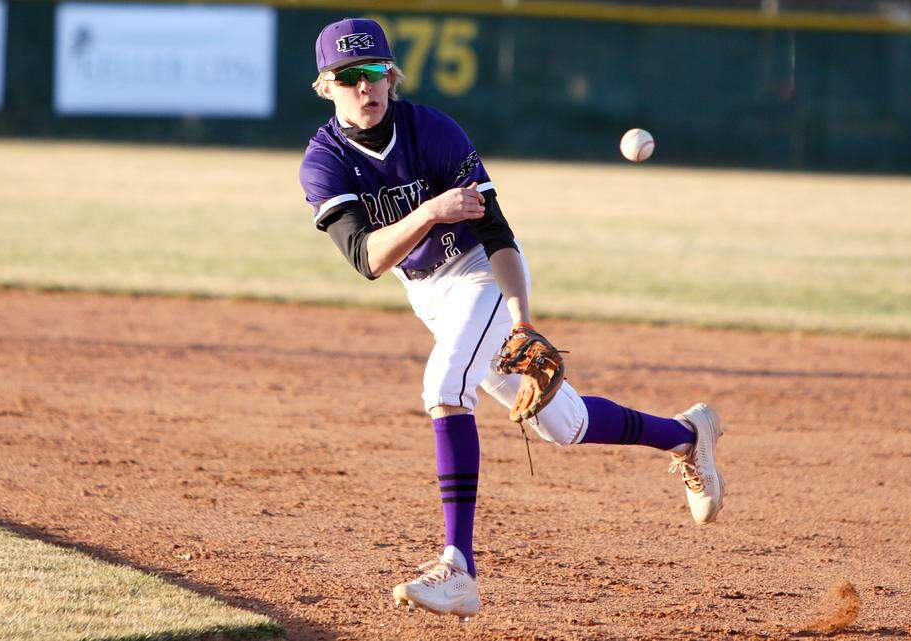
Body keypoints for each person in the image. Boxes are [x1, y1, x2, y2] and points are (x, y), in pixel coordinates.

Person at [298, 18, 725, 622]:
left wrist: (522, 321)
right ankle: (686, 434)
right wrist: (431, 211)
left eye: (375, 73)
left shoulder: (435, 133)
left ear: (392, 77)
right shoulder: (325, 161)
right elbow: (366, 259)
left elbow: (496, 232)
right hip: (430, 294)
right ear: (326, 86)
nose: (364, 87)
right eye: (348, 77)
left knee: (445, 386)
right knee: (566, 425)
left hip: (480, 276)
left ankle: (458, 567)